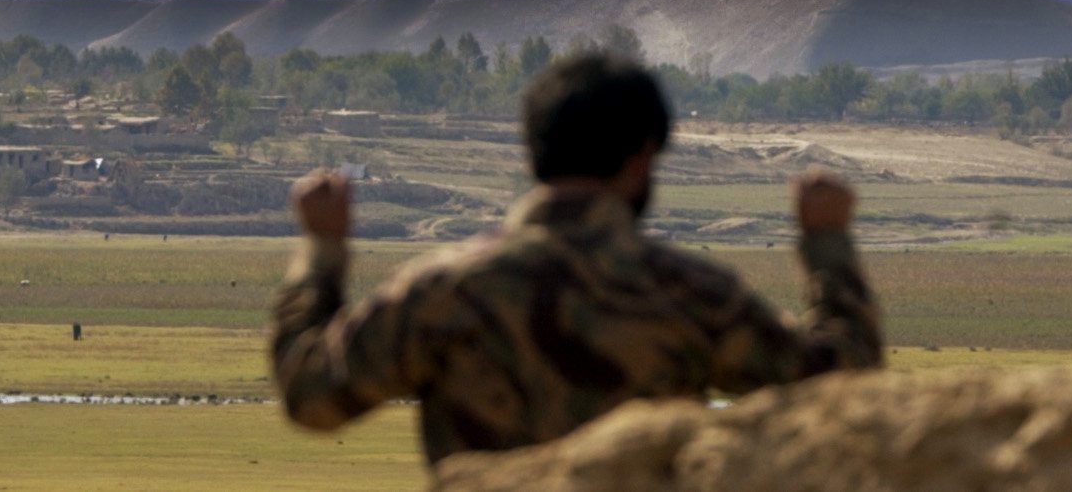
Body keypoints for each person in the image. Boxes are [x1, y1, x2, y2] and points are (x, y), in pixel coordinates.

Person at [271, 52, 881, 470]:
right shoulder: (688, 293)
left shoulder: (443, 291)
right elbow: (841, 390)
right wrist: (826, 243)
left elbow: (311, 394)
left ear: (534, 149)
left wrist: (322, 254)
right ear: (643, 156)